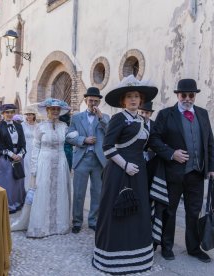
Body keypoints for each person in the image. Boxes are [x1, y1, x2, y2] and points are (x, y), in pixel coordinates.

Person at [92, 75, 158, 274]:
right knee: (117, 211)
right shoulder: (118, 118)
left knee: (138, 211)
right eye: (129, 96)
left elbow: (150, 145)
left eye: (136, 96)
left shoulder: (143, 120)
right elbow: (107, 147)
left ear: (141, 100)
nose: (133, 99)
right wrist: (125, 164)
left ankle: (138, 256)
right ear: (123, 100)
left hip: (139, 173)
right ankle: (111, 257)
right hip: (119, 172)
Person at [149, 78, 214, 263]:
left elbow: (209, 142)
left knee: (193, 212)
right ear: (178, 95)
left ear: (194, 96)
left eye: (191, 95)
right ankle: (167, 246)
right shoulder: (166, 115)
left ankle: (194, 248)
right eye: (183, 95)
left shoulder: (202, 114)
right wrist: (172, 153)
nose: (187, 98)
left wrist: (212, 168)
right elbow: (153, 140)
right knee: (169, 211)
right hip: (173, 172)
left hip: (197, 173)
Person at [66, 87, 110, 233]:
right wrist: (83, 139)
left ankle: (94, 220)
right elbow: (68, 136)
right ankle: (77, 222)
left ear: (99, 102)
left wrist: (101, 118)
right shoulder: (77, 117)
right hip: (82, 158)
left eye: (96, 101)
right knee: (79, 192)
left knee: (97, 192)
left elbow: (110, 133)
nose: (93, 103)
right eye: (90, 100)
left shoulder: (105, 117)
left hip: (99, 160)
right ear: (85, 101)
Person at [26, 98, 72, 238]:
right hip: (44, 161)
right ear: (47, 110)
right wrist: (34, 169)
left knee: (60, 190)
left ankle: (59, 226)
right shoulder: (40, 127)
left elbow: (70, 142)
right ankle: (41, 226)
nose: (55, 111)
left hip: (61, 160)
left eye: (57, 109)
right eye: (53, 109)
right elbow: (35, 147)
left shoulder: (64, 126)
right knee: (44, 190)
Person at [0, 104, 26, 214]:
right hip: (4, 157)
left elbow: (23, 142)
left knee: (17, 180)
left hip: (18, 156)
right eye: (7, 112)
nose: (10, 114)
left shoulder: (19, 126)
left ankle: (17, 202)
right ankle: (7, 205)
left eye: (12, 112)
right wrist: (11, 154)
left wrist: (20, 154)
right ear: (3, 114)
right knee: (7, 181)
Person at [21, 106, 38, 191]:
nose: (28, 116)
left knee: (35, 168)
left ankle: (34, 188)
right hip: (26, 148)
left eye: (30, 114)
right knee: (26, 168)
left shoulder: (38, 126)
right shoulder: (22, 125)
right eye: (27, 115)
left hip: (35, 149)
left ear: (34, 115)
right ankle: (26, 189)